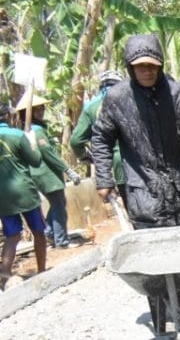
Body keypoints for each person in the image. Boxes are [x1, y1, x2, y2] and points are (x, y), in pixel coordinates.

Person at [91, 34, 180, 229]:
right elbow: (102, 139)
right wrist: (104, 179)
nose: (148, 71)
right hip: (145, 198)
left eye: (153, 66)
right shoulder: (117, 99)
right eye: (141, 66)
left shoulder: (179, 95)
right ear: (131, 67)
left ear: (160, 65)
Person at [20, 90, 82, 250]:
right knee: (59, 205)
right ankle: (61, 241)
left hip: (40, 174)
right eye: (37, 109)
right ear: (30, 113)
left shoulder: (30, 130)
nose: (41, 111)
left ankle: (50, 233)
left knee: (57, 204)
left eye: (42, 108)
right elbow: (48, 154)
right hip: (46, 173)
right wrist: (68, 170)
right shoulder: (37, 131)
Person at [0, 106, 47, 288]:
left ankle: (4, 276)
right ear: (8, 117)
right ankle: (42, 271)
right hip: (24, 192)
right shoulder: (17, 135)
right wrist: (32, 142)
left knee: (12, 236)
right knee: (38, 232)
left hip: (3, 197)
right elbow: (35, 160)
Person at [69, 70, 126, 203]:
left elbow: (76, 141)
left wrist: (86, 157)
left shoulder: (91, 107)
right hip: (138, 165)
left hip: (113, 168)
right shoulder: (131, 100)